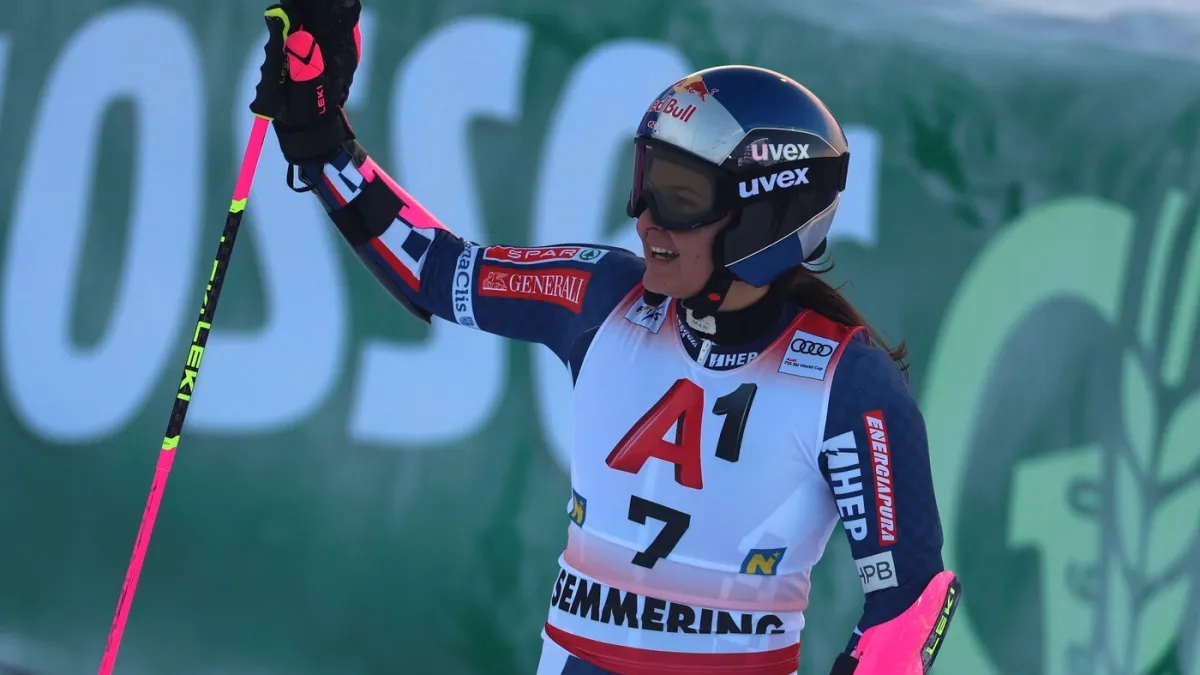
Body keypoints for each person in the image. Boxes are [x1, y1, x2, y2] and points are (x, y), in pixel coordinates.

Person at [249, 2, 961, 673]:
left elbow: (908, 608)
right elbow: (437, 270)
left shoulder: (846, 382)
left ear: (764, 218)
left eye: (680, 196)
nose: (644, 218)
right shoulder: (602, 294)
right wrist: (321, 141)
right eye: (646, 182)